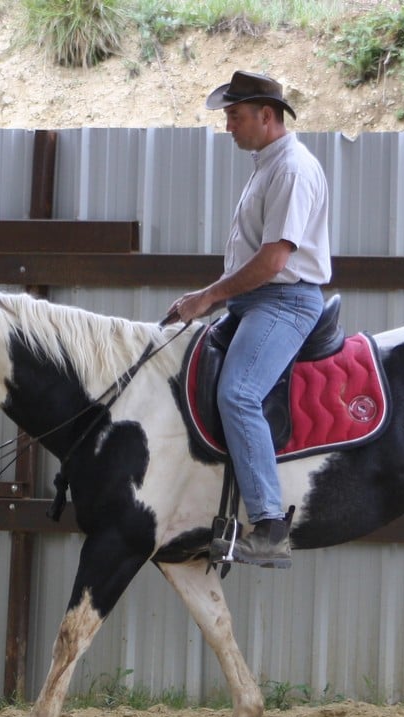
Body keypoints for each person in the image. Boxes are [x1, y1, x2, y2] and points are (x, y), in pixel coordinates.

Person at [166, 70, 331, 569]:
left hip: (284, 303)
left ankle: (269, 525)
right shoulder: (268, 165)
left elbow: (273, 262)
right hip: (255, 302)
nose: (229, 127)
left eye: (235, 117)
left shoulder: (291, 170)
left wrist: (207, 298)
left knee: (237, 393)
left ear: (266, 115)